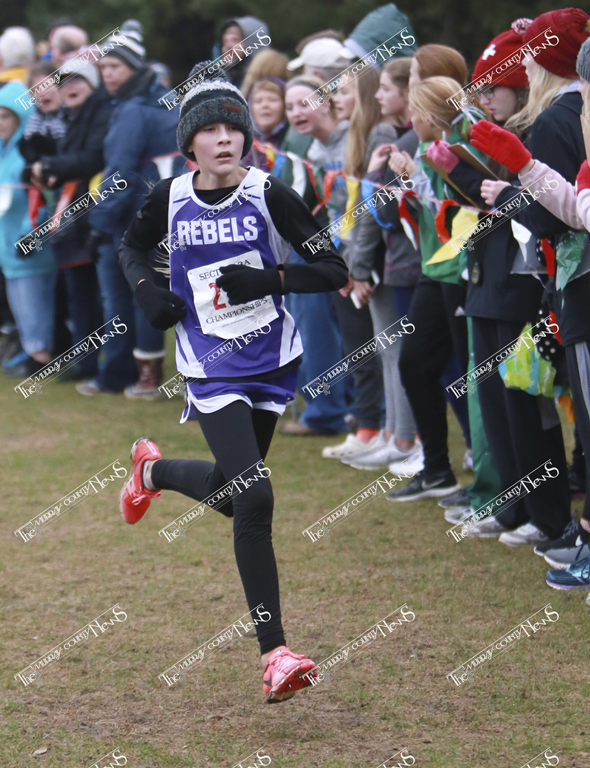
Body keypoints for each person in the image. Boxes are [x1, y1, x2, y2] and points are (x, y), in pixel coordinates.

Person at [117, 62, 348, 701]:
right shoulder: (169, 197)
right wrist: (148, 291)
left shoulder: (269, 193)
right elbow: (130, 249)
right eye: (209, 130)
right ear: (188, 143)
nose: (224, 139)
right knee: (256, 497)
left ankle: (151, 473)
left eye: (233, 129)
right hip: (209, 363)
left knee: (231, 492)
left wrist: (272, 280)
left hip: (272, 361)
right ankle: (276, 654)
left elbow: (333, 269)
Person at [434, 21, 571, 549]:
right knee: (495, 404)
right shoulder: (495, 130)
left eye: (494, 87)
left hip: (522, 285)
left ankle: (549, 514)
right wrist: (459, 174)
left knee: (527, 405)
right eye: (482, 89)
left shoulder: (536, 131)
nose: (486, 98)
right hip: (486, 279)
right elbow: (490, 200)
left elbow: (532, 207)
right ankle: (513, 505)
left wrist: (475, 180)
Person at [470, 10, 590, 577]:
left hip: (570, 282)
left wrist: (512, 189)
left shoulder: (558, 118)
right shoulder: (567, 116)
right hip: (561, 281)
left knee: (572, 411)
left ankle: (563, 525)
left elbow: (562, 218)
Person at [77, 20, 180, 399]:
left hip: (131, 217)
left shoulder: (134, 109)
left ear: (134, 67)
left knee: (123, 297)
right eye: (103, 67)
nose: (107, 74)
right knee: (147, 293)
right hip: (161, 213)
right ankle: (147, 376)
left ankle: (123, 376)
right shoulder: (164, 99)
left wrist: (99, 225)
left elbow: (119, 174)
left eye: (115, 66)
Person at [343, 57, 423, 472]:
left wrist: (358, 266)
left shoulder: (389, 137)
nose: (375, 97)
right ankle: (395, 434)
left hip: (389, 262)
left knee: (398, 353)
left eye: (384, 89)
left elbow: (373, 213)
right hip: (383, 261)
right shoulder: (383, 135)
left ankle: (405, 437)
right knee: (389, 352)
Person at [316, 68, 386, 461]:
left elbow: (368, 212)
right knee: (356, 346)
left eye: (344, 92)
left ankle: (380, 429)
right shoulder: (353, 142)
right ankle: (369, 426)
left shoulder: (379, 138)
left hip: (367, 264)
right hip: (347, 258)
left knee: (373, 349)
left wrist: (357, 268)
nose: (334, 100)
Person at [278, 76, 352, 436]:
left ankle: (329, 412)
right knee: (315, 327)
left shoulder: (352, 139)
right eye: (289, 107)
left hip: (345, 250)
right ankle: (342, 410)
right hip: (324, 247)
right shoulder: (313, 148)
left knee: (319, 329)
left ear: (325, 102)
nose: (295, 113)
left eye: (303, 103)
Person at [31, 58, 111, 381]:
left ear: (92, 84)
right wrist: (50, 171)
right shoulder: (71, 116)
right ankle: (84, 363)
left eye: (77, 80)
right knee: (79, 294)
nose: (70, 88)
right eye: (64, 83)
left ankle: (109, 365)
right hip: (74, 219)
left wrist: (52, 166)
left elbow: (93, 158)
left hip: (96, 216)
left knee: (99, 296)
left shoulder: (102, 113)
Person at [0, 81, 56, 379]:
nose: (0, 122)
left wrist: (30, 234)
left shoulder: (28, 153)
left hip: (29, 246)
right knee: (20, 305)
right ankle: (29, 350)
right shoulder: (4, 150)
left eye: (5, 116)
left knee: (35, 304)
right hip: (7, 247)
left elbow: (43, 199)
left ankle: (41, 356)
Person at [240, 76, 288, 174]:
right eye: (258, 101)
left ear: (284, 105)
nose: (265, 105)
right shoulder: (243, 145)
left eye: (272, 100)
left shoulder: (293, 141)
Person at [214, 17, 270, 89]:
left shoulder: (269, 86)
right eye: (225, 41)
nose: (227, 46)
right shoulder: (218, 84)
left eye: (235, 40)